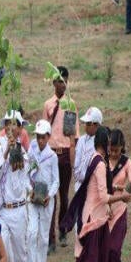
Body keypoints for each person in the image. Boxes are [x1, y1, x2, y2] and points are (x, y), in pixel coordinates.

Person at [61, 127, 130, 262]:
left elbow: (98, 186)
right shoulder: (99, 163)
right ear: (105, 143)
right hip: (94, 220)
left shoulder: (94, 158)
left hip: (96, 218)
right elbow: (104, 196)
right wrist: (121, 197)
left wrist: (115, 188)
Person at [41, 66, 78, 250]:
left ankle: (63, 229)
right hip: (51, 153)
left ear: (67, 82)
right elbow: (43, 131)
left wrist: (73, 160)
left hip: (64, 154)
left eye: (64, 81)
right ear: (53, 83)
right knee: (50, 196)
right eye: (58, 81)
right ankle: (50, 238)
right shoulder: (48, 105)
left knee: (63, 194)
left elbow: (73, 136)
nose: (61, 85)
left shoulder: (70, 105)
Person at [27, 120, 59, 262]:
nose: (40, 140)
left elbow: (56, 181)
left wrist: (50, 195)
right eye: (38, 137)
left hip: (47, 200)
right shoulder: (31, 153)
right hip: (33, 199)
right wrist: (29, 190)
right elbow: (26, 175)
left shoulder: (52, 157)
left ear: (48, 137)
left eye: (43, 137)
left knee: (43, 237)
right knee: (32, 233)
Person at [0, 142, 30, 262]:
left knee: (21, 254)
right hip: (3, 211)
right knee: (1, 253)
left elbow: (18, 187)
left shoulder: (24, 157)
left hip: (20, 209)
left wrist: (18, 163)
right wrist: (7, 152)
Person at [107, 129, 131, 262]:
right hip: (103, 212)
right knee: (103, 253)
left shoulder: (126, 162)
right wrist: (118, 188)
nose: (113, 153)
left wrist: (123, 190)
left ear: (122, 148)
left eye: (116, 150)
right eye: (111, 149)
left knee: (114, 251)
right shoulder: (102, 160)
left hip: (118, 212)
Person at [73, 107, 103, 192]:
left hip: (91, 187)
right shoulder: (81, 140)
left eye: (88, 124)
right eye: (85, 123)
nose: (85, 126)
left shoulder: (99, 143)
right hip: (78, 185)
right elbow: (77, 160)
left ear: (96, 125)